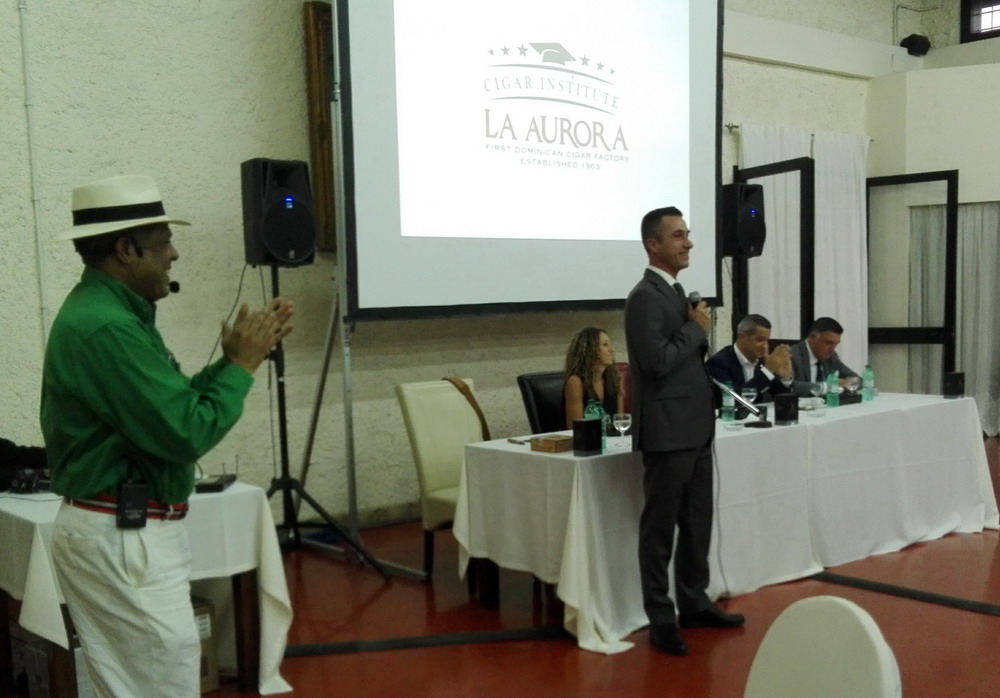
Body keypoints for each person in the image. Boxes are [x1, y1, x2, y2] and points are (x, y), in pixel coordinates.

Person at [40, 174, 294, 697]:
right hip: (123, 537)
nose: (174, 254)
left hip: (122, 532)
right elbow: (185, 432)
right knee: (164, 685)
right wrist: (242, 367)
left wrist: (230, 363)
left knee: (139, 685)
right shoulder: (108, 327)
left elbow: (169, 410)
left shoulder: (113, 315)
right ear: (126, 250)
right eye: (163, 243)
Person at [624, 206, 744, 657]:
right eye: (677, 236)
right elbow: (655, 362)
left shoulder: (675, 294)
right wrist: (695, 330)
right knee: (659, 533)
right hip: (667, 431)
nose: (689, 242)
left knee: (696, 525)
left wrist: (694, 328)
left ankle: (694, 603)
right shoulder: (645, 297)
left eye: (687, 234)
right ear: (653, 245)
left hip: (695, 429)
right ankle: (661, 618)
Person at [706, 314, 792, 406]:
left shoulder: (763, 361)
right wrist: (767, 371)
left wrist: (785, 378)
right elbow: (734, 400)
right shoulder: (718, 363)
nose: (765, 346)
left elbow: (785, 401)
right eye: (760, 340)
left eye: (767, 340)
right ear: (742, 337)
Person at [563, 326, 624, 428]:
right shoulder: (575, 382)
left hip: (610, 437)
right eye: (605, 345)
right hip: (585, 437)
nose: (612, 349)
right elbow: (575, 429)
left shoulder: (615, 379)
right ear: (590, 351)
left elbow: (619, 423)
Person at [789, 316, 859, 396]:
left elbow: (858, 380)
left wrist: (844, 384)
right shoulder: (792, 354)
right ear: (812, 337)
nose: (832, 349)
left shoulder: (832, 356)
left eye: (836, 344)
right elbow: (790, 386)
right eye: (828, 343)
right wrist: (828, 386)